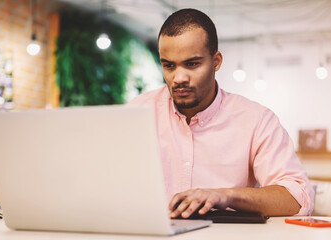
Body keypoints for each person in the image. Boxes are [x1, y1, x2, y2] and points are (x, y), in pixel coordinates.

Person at [129, 8, 314, 218]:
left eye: (192, 64)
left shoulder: (256, 120)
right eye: (169, 65)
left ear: (216, 61)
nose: (178, 77)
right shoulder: (137, 113)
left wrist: (224, 196)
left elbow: (297, 199)